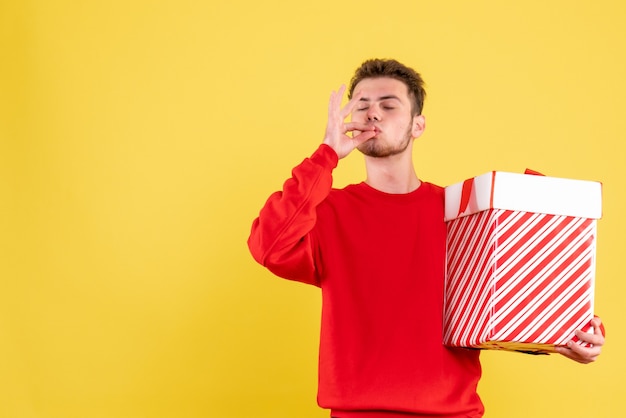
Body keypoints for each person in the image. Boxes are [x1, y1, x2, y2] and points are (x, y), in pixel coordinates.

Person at [247, 59, 605, 418]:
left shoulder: (463, 213)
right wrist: (326, 155)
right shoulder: (328, 211)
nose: (373, 114)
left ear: (418, 125)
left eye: (388, 105)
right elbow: (269, 246)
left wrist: (572, 331)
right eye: (361, 105)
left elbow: (518, 292)